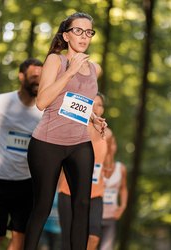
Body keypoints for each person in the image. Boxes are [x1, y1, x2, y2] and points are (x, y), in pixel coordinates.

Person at [24, 12, 107, 250]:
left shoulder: (94, 69)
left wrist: (92, 117)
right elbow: (42, 102)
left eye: (88, 32)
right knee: (42, 207)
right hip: (47, 144)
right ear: (66, 35)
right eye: (78, 31)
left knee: (82, 205)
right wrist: (70, 71)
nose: (84, 36)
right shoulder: (55, 61)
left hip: (79, 143)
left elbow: (75, 101)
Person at [0, 58, 43, 250]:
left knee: (20, 236)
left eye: (41, 76)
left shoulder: (44, 109)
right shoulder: (1, 101)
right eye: (34, 76)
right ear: (21, 77)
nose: (38, 80)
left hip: (26, 182)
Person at [58, 92, 112, 250]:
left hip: (95, 194)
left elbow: (108, 161)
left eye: (100, 105)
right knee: (68, 242)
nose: (96, 107)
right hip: (69, 192)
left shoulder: (107, 134)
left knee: (94, 236)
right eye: (92, 104)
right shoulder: (74, 129)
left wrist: (108, 170)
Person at [100, 135, 128, 250]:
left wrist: (122, 206)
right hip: (94, 215)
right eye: (108, 144)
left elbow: (123, 188)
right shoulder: (95, 166)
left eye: (113, 144)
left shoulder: (120, 168)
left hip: (111, 216)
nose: (111, 147)